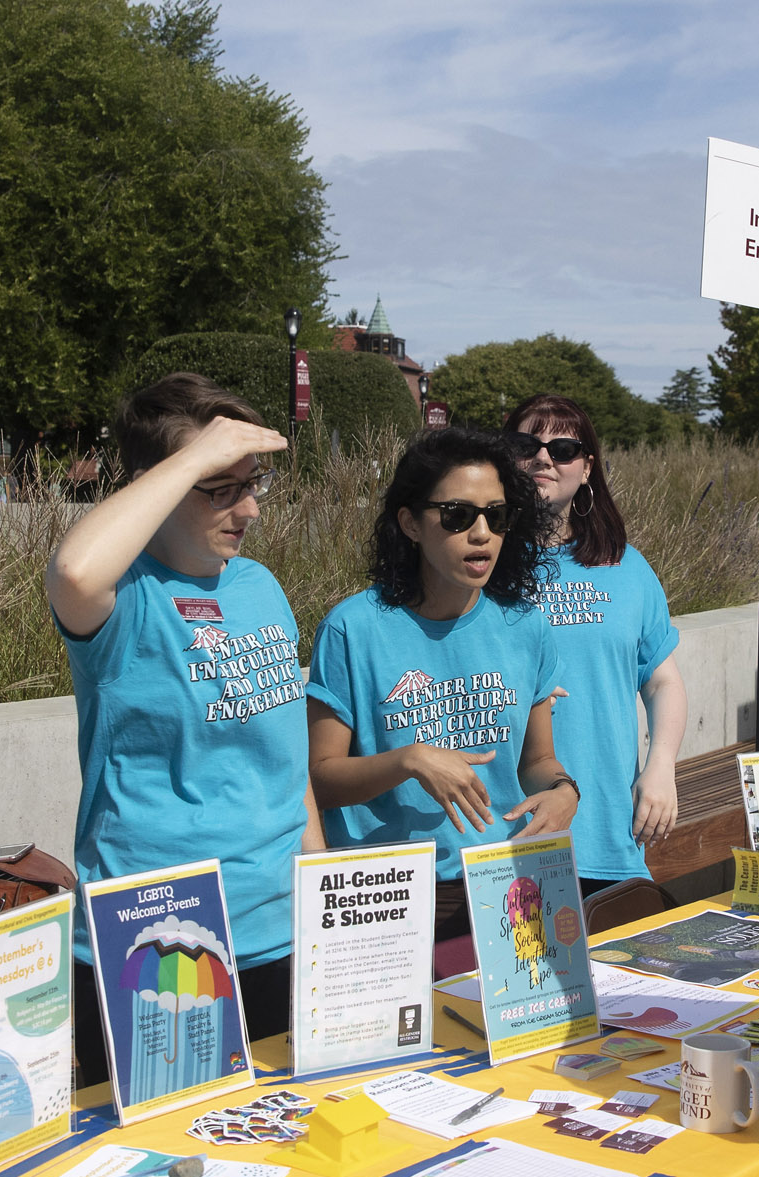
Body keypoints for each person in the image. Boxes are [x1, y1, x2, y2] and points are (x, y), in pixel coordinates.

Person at [44, 374, 323, 1079]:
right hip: (157, 938)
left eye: (252, 483)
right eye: (221, 487)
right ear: (161, 483)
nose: (250, 509)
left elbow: (289, 768)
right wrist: (192, 462)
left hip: (282, 928)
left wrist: (321, 892)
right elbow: (74, 572)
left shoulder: (261, 586)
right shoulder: (125, 596)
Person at [308, 430, 579, 935]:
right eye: (458, 515)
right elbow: (319, 779)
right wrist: (409, 760)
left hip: (507, 885)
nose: (481, 534)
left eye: (496, 516)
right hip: (384, 899)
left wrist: (565, 791)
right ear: (410, 522)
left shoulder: (527, 627)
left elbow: (538, 762)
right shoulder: (352, 628)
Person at [503, 395, 687, 884]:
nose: (543, 458)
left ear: (586, 469)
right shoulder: (482, 564)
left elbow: (662, 682)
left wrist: (661, 767)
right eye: (527, 444)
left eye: (563, 449)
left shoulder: (627, 567)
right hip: (505, 837)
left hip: (607, 827)